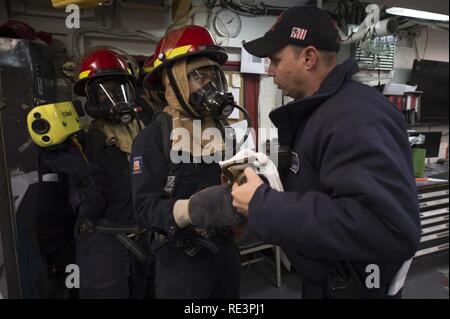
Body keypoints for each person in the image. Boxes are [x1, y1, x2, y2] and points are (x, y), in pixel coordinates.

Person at [231, 5, 421, 299]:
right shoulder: (321, 113)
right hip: (326, 282)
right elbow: (324, 193)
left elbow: (386, 228)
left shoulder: (355, 116)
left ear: (308, 57)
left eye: (275, 60)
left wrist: (263, 204)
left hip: (355, 288)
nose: (269, 70)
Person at [131, 25, 245, 298]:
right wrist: (188, 210)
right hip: (182, 261)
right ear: (173, 83)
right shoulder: (152, 139)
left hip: (225, 253)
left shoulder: (223, 131)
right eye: (197, 75)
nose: (209, 84)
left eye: (213, 75)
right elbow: (145, 209)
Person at [37, 48, 145, 298]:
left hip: (140, 239)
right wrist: (57, 253)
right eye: (105, 93)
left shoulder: (141, 131)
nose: (116, 99)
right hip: (103, 249)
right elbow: (78, 206)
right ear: (91, 100)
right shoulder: (82, 142)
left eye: (121, 90)